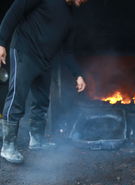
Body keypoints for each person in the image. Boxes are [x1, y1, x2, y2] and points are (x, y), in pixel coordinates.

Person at [0, 0, 87, 164]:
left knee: (41, 101)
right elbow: (15, 10)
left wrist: (78, 74)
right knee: (17, 98)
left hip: (46, 61)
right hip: (25, 52)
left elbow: (67, 51)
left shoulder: (70, 17)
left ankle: (37, 141)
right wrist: (1, 42)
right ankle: (8, 146)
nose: (84, 2)